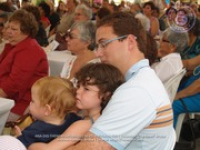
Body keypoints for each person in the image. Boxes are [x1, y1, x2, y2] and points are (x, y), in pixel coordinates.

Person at [32, 11, 175, 150]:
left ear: (130, 42)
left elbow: (92, 147)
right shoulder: (141, 80)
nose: (98, 53)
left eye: (104, 43)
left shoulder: (137, 90)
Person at [28, 63, 124, 150]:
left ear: (106, 95)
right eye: (79, 86)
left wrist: (30, 144)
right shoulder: (103, 118)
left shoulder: (84, 125)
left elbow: (49, 149)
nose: (78, 91)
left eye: (86, 89)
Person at [0, 77, 82, 149]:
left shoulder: (34, 131)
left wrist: (19, 136)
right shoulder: (73, 119)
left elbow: (17, 145)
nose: (30, 103)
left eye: (33, 101)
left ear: (47, 110)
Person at [0, 9, 48, 121]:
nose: (8, 32)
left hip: (21, 103)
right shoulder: (13, 45)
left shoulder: (30, 50)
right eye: (8, 27)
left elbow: (13, 85)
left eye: (14, 29)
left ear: (26, 32)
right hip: (8, 98)